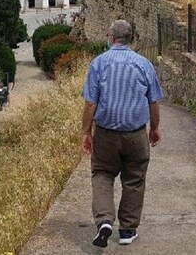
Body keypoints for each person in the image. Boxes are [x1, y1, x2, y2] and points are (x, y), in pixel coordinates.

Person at [81, 19, 164, 248]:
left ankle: (105, 221)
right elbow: (153, 101)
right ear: (131, 38)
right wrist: (154, 128)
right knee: (134, 179)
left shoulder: (99, 64)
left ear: (111, 37)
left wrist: (86, 132)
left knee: (101, 175)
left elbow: (90, 103)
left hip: (106, 134)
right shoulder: (144, 64)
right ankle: (127, 230)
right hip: (135, 134)